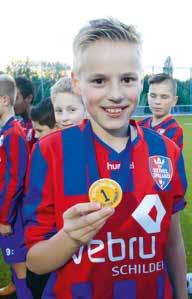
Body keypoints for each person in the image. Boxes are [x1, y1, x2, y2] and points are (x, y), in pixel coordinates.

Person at [23, 18, 187, 299]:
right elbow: (34, 261)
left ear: (141, 82)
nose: (115, 94)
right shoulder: (51, 151)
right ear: (77, 83)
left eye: (127, 79)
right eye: (99, 81)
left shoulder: (166, 151)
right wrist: (70, 237)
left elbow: (172, 243)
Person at [0, 74, 32, 298]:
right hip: (6, 209)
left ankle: (23, 293)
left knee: (20, 264)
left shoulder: (14, 133)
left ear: (4, 100)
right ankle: (14, 286)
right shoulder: (5, 131)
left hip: (12, 214)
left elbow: (15, 179)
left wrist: (4, 218)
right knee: (10, 256)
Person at [138, 73, 183, 150]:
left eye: (164, 97)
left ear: (174, 101)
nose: (157, 101)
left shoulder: (174, 130)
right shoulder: (140, 125)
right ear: (148, 96)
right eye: (153, 96)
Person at [14, 76, 37, 149]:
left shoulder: (42, 123)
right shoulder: (18, 124)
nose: (11, 103)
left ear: (29, 98)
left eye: (16, 98)